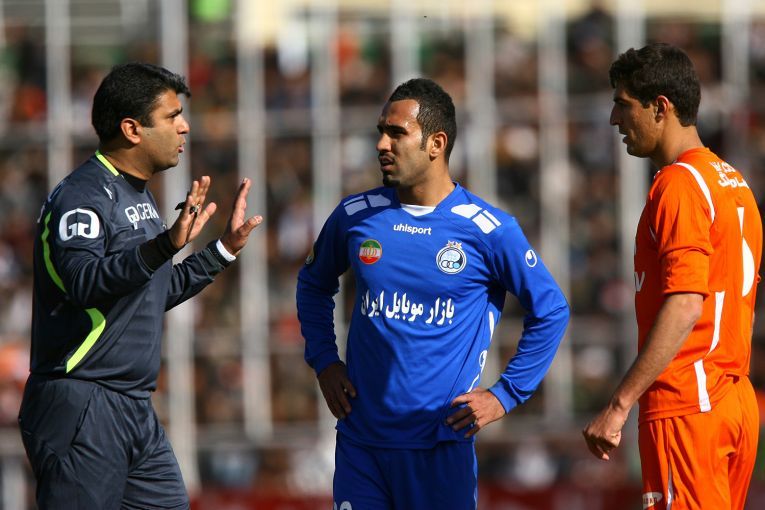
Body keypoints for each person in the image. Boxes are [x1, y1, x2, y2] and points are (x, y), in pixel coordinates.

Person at [296, 78, 569, 509]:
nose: (382, 144)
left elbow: (551, 310)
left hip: (440, 446)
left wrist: (505, 394)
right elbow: (313, 284)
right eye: (381, 132)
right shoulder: (356, 216)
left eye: (397, 133)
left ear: (436, 144)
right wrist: (325, 360)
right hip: (361, 444)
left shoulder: (489, 231)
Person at [18, 62, 262, 509]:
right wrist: (165, 245)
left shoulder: (139, 196)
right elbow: (84, 282)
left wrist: (221, 251)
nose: (184, 127)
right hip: (84, 401)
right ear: (132, 129)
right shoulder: (82, 197)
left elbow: (150, 293)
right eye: (172, 116)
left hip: (132, 406)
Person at [583, 43, 762, 510]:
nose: (614, 120)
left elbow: (686, 302)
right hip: (733, 398)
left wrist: (619, 404)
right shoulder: (734, 183)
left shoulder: (679, 184)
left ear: (660, 107)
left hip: (687, 401)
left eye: (623, 105)